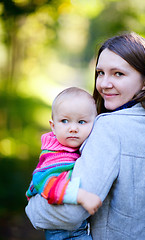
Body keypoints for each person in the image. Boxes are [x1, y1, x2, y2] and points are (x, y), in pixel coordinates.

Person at [25, 32, 145, 240]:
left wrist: (32, 208)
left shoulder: (109, 128)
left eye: (118, 74)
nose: (104, 83)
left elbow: (71, 213)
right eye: (100, 73)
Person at [25, 87, 102, 240]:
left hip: (79, 229)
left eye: (81, 122)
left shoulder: (73, 149)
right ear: (53, 126)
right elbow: (47, 184)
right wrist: (81, 195)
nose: (73, 128)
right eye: (65, 121)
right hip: (63, 233)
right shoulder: (56, 155)